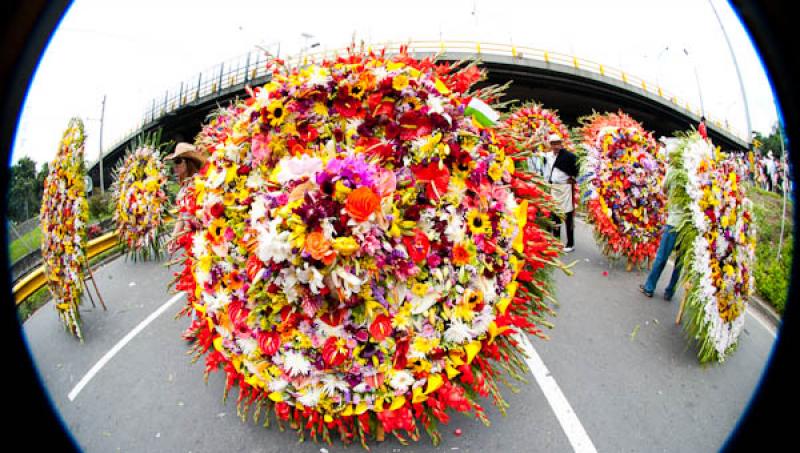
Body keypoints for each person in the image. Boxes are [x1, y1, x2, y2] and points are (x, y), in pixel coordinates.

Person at [640, 147, 684, 301]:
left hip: (674, 222)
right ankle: (669, 292)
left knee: (662, 257)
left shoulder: (673, 171)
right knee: (680, 261)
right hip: (689, 227)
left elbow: (664, 190)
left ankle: (649, 287)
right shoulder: (696, 174)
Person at [164, 142, 208, 254]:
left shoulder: (200, 181)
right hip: (195, 240)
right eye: (174, 162)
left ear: (188, 162)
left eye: (178, 161)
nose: (175, 166)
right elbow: (182, 215)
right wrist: (174, 237)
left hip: (206, 235)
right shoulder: (183, 189)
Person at [543, 134, 578, 252]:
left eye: (558, 144)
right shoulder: (548, 156)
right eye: (554, 144)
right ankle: (556, 241)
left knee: (567, 216)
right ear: (551, 145)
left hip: (565, 188)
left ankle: (570, 244)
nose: (556, 146)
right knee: (555, 215)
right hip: (553, 187)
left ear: (561, 144)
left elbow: (578, 168)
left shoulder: (569, 156)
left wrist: (574, 178)